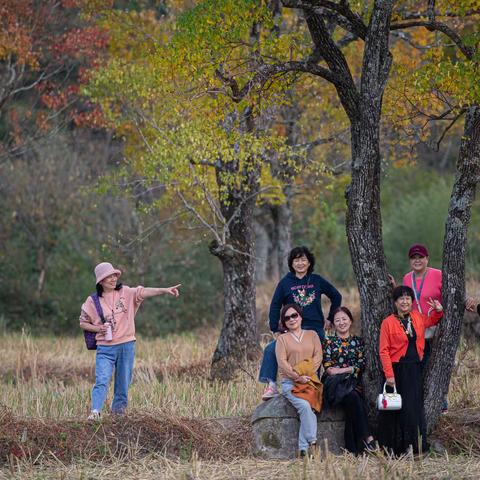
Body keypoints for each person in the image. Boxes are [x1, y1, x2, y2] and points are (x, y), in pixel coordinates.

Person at [79, 262, 181, 420]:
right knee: (102, 379)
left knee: (123, 382)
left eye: (114, 275)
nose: (113, 279)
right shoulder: (92, 301)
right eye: (109, 277)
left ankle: (118, 415)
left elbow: (143, 291)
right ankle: (95, 412)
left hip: (126, 345)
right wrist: (98, 329)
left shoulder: (126, 292)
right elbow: (83, 323)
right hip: (105, 348)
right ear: (100, 281)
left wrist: (164, 290)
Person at [259, 246, 342, 400]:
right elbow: (275, 305)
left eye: (303, 259)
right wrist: (275, 328)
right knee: (271, 349)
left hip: (315, 328)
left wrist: (330, 318)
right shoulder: (285, 283)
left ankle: (315, 389)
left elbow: (336, 296)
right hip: (292, 329)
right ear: (291, 263)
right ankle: (271, 386)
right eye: (296, 260)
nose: (300, 263)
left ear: (309, 262)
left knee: (319, 354)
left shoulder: (317, 280)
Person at [378, 285, 443, 455]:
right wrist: (389, 375)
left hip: (414, 368)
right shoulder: (388, 322)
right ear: (395, 302)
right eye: (401, 298)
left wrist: (438, 311)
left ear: (412, 302)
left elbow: (432, 321)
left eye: (408, 298)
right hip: (397, 370)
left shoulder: (417, 317)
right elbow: (383, 350)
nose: (404, 301)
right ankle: (395, 448)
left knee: (412, 407)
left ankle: (414, 446)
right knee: (397, 409)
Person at [322, 307, 375, 454]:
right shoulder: (329, 342)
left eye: (344, 319)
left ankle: (352, 450)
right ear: (333, 324)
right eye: (337, 320)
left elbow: (361, 363)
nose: (341, 323)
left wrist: (342, 369)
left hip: (352, 384)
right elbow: (328, 367)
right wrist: (349, 369)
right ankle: (369, 438)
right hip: (335, 386)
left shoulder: (357, 341)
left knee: (353, 400)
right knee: (353, 396)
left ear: (350, 321)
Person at [275, 304, 322, 457]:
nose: (292, 319)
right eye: (287, 318)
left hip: (310, 381)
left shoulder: (312, 335)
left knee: (309, 409)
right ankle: (313, 443)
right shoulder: (282, 339)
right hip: (291, 383)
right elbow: (282, 363)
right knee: (304, 406)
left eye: (294, 315)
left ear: (300, 316)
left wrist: (305, 374)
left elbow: (318, 357)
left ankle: (302, 450)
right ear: (284, 322)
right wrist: (297, 376)